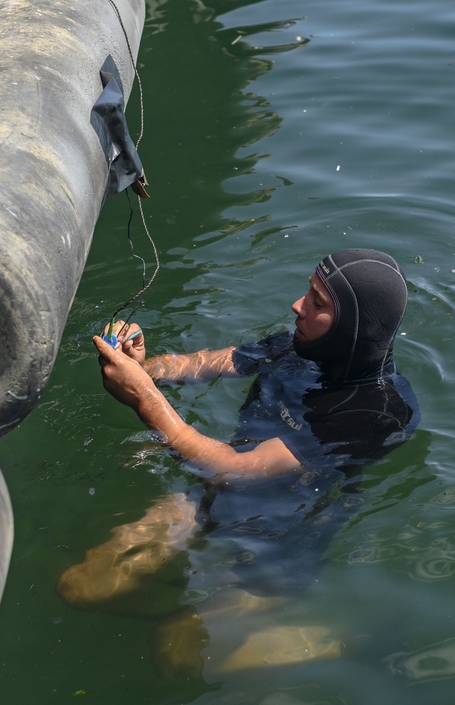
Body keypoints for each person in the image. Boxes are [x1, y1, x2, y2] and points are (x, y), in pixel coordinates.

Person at [58, 248, 419, 677]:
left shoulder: (377, 411)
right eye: (307, 292)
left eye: (318, 303)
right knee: (80, 585)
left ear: (353, 326)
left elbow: (236, 470)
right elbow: (208, 363)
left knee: (177, 652)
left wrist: (143, 398)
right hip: (209, 496)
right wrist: (144, 367)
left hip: (281, 539)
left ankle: (341, 641)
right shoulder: (296, 346)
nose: (297, 306)